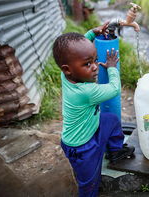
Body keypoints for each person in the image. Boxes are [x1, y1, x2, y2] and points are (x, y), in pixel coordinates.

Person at [52, 22, 135, 197]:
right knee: (90, 183)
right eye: (88, 64)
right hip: (82, 147)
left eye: (95, 60)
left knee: (111, 119)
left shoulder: (66, 75)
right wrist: (112, 69)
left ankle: (115, 151)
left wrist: (91, 33)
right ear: (68, 70)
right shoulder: (85, 92)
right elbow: (113, 89)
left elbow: (77, 52)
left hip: (91, 127)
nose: (95, 66)